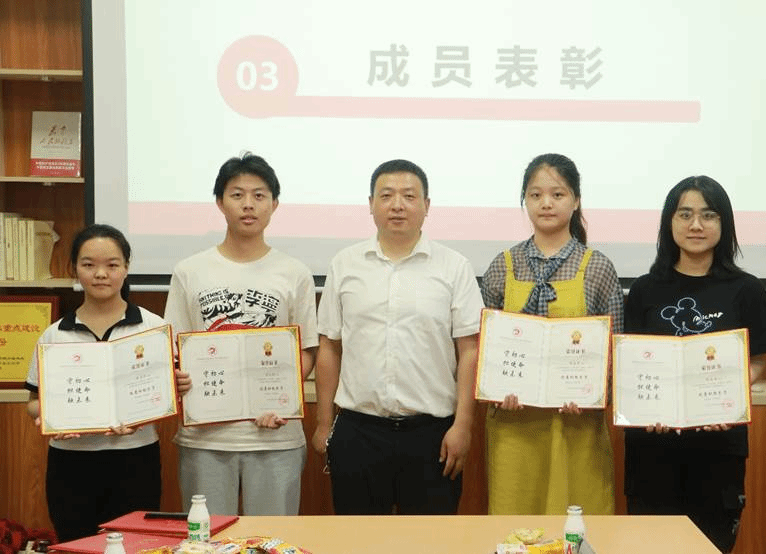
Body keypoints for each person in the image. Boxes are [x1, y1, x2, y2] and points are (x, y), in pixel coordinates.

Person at [312, 159, 484, 515]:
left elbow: (470, 350)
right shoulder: (345, 264)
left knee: (430, 540)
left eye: (409, 196)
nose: (397, 205)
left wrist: (463, 426)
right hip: (358, 431)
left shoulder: (454, 267)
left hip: (433, 434)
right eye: (387, 195)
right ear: (371, 204)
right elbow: (330, 346)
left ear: (427, 205)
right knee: (357, 539)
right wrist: (324, 423)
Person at [623, 176, 766, 553]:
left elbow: (756, 361)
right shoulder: (643, 289)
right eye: (685, 214)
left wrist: (726, 402)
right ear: (669, 222)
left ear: (724, 224)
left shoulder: (747, 289)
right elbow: (633, 366)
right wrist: (647, 409)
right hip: (652, 448)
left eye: (708, 215)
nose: (696, 225)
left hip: (718, 448)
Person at [164, 152, 318, 516]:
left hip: (275, 437)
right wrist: (178, 376)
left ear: (274, 204)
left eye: (259, 195)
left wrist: (282, 398)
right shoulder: (190, 271)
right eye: (237, 195)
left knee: (273, 539)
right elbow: (174, 349)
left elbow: (307, 350)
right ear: (220, 202)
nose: (248, 204)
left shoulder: (294, 272)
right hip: (205, 436)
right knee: (206, 538)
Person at [481, 153, 623, 516]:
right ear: (524, 201)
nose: (546, 203)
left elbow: (614, 352)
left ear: (576, 201)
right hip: (514, 427)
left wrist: (592, 394)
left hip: (577, 425)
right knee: (514, 526)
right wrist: (496, 390)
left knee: (578, 527)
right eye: (536, 195)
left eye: (557, 194)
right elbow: (486, 350)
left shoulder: (598, 267)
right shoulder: (502, 266)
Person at [24, 224, 170, 541]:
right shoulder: (55, 334)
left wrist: (168, 394)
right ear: (74, 269)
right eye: (88, 264)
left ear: (126, 268)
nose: (100, 274)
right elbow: (33, 402)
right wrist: (47, 417)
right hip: (70, 463)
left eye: (112, 265)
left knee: (134, 544)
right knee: (76, 542)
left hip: (135, 458)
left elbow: (167, 396)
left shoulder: (153, 328)